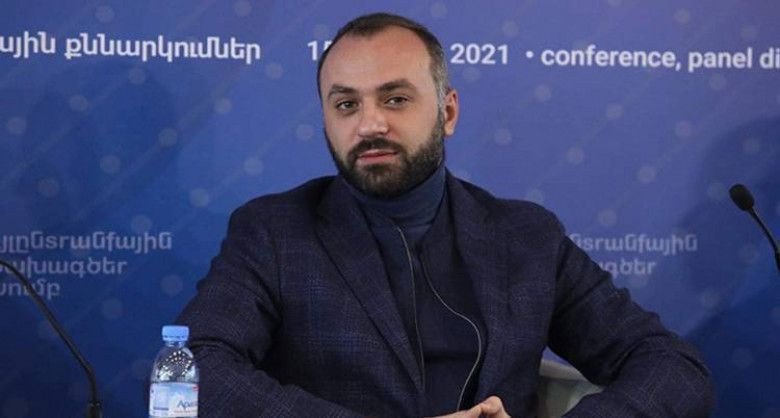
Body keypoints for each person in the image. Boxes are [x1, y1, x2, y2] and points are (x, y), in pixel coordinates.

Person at [177, 12, 715, 417]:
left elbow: (671, 366)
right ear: (325, 122)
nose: (369, 124)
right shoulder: (274, 231)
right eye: (346, 104)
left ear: (448, 112)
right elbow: (191, 371)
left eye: (395, 99)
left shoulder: (527, 236)